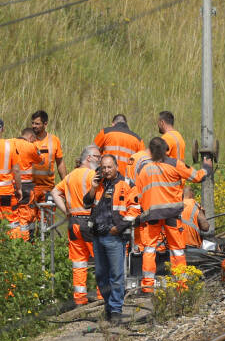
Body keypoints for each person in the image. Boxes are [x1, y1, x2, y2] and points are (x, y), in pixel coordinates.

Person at [132, 137, 212, 292]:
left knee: (149, 249)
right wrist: (207, 168)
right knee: (176, 249)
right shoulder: (175, 164)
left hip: (152, 215)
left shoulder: (144, 168)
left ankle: (147, 285)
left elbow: (138, 192)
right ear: (165, 150)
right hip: (171, 215)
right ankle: (181, 284)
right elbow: (198, 177)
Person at [82, 154, 138, 324]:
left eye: (109, 167)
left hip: (114, 236)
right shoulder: (98, 184)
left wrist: (118, 227)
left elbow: (135, 209)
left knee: (116, 275)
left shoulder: (126, 184)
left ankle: (115, 309)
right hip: (98, 236)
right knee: (100, 275)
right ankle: (108, 305)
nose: (106, 170)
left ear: (116, 167)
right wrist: (93, 187)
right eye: (103, 167)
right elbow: (86, 204)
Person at [53, 146, 100, 305]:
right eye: (97, 157)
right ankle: (102, 296)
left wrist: (66, 210)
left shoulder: (69, 176)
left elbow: (54, 193)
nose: (99, 160)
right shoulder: (93, 175)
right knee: (100, 258)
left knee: (79, 262)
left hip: (73, 222)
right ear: (88, 158)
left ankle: (80, 298)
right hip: (89, 222)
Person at [30, 109, 65, 227]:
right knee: (29, 222)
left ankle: (44, 245)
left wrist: (65, 183)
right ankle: (30, 244)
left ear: (45, 124)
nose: (34, 126)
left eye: (37, 123)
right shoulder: (28, 140)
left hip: (48, 188)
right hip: (30, 188)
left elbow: (60, 162)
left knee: (45, 224)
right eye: (33, 123)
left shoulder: (54, 140)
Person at [10, 128, 42, 240]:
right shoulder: (30, 146)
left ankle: (11, 241)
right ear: (31, 137)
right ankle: (24, 243)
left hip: (9, 185)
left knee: (12, 215)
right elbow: (39, 160)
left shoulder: (9, 143)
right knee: (25, 215)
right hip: (26, 186)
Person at [94, 114, 145, 180]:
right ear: (126, 124)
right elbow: (143, 162)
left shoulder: (105, 132)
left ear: (113, 124)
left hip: (106, 175)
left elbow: (93, 152)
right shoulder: (138, 139)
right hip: (127, 179)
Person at [180, 184, 210, 249]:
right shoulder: (194, 205)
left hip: (176, 246)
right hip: (191, 248)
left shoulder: (175, 204)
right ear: (191, 193)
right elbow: (205, 227)